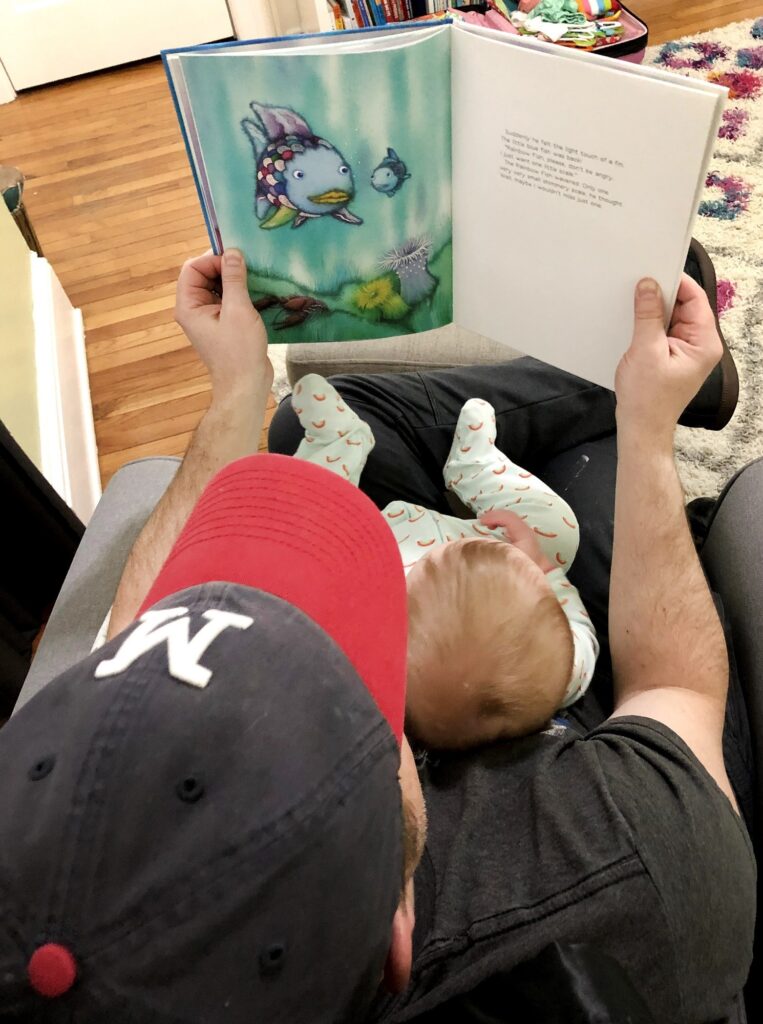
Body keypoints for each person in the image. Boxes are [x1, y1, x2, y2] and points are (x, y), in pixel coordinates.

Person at [0, 248, 754, 1024]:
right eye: (361, 689)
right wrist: (648, 424)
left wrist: (237, 388)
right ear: (399, 930)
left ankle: (608, 387)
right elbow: (676, 685)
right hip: (602, 719)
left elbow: (142, 632)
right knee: (597, 477)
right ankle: (634, 390)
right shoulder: (622, 869)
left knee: (303, 419)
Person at [289, 373, 598, 747]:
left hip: (386, 545)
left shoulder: (371, 649)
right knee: (559, 531)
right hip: (493, 537)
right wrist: (544, 570)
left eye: (436, 567)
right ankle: (475, 469)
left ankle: (339, 442)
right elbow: (580, 630)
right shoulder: (561, 675)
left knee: (303, 530)